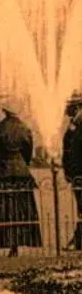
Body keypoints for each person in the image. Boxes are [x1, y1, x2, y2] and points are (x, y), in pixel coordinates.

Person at [0, 103, 43, 259]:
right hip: (20, 171)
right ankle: (15, 246)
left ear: (5, 112)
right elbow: (28, 153)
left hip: (2, 171)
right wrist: (21, 162)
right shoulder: (24, 128)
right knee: (20, 210)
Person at [64, 92, 82, 251]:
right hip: (76, 173)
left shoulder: (79, 123)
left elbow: (73, 150)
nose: (66, 108)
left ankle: (78, 240)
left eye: (69, 105)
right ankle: (78, 239)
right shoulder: (75, 123)